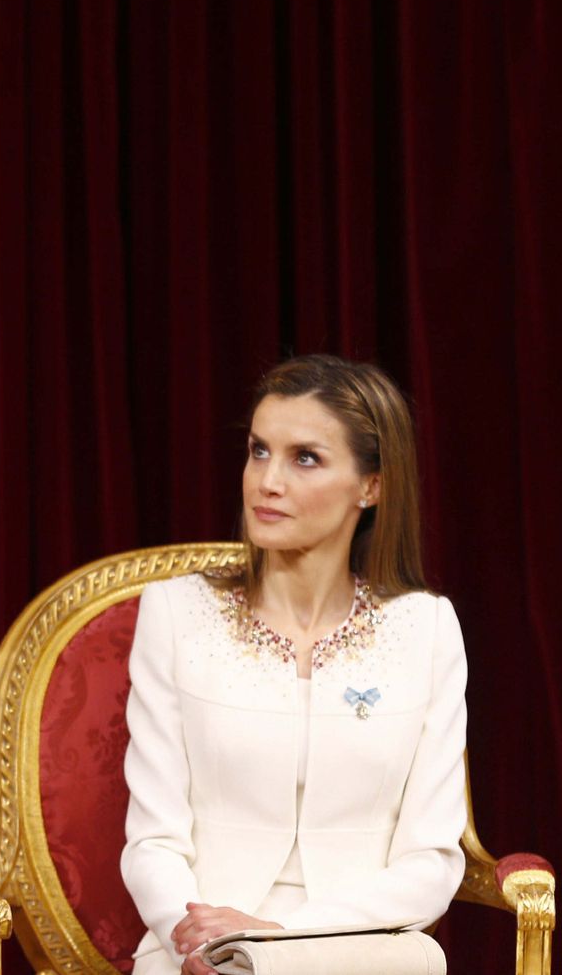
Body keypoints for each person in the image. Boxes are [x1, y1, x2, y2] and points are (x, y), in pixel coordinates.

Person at [120, 355, 466, 975]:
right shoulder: (175, 612)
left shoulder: (427, 628)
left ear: (372, 485)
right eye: (259, 451)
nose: (266, 481)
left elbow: (432, 861)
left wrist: (281, 938)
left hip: (360, 946)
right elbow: (152, 842)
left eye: (304, 457)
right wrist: (203, 941)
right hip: (200, 947)